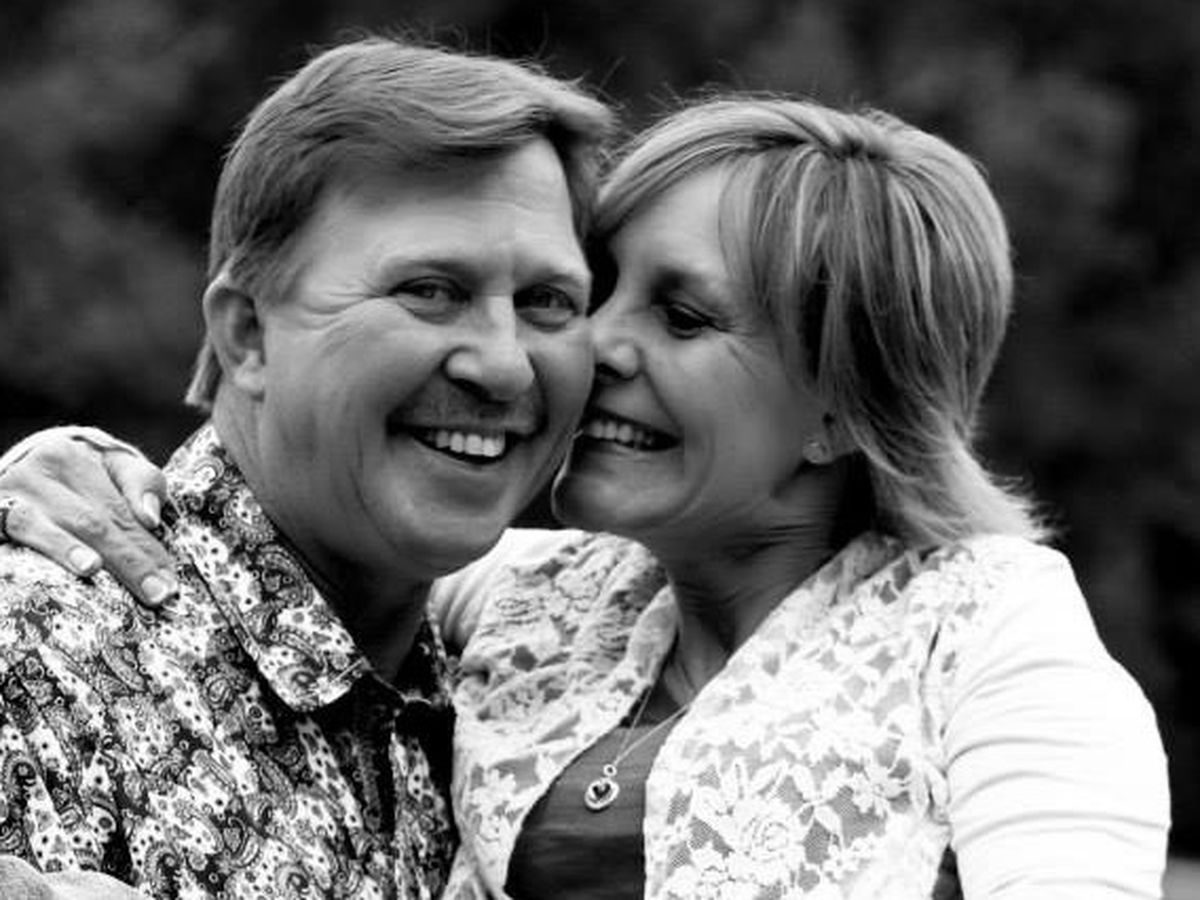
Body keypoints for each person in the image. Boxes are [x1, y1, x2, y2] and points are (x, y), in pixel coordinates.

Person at [0, 97, 1170, 898]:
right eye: (600, 292)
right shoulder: (527, 598)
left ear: (844, 410)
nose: (587, 348)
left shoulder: (987, 627)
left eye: (683, 315)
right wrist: (61, 465)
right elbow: (280, 539)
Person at [0, 35, 613, 899]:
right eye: (430, 290)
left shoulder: (531, 694)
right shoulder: (38, 668)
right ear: (248, 335)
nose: (506, 366)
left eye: (547, 302)